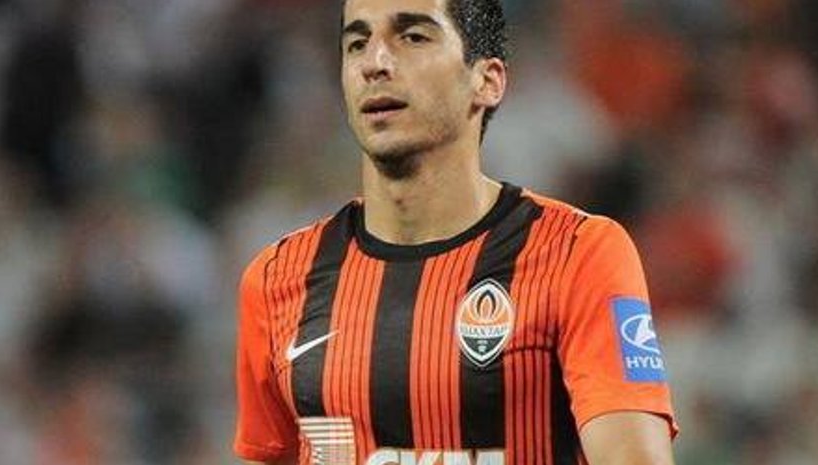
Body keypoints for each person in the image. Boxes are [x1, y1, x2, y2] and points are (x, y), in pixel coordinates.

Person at [234, 0, 678, 464]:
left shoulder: (577, 253)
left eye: (413, 37)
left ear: (487, 81)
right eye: (358, 43)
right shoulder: (277, 279)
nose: (375, 63)